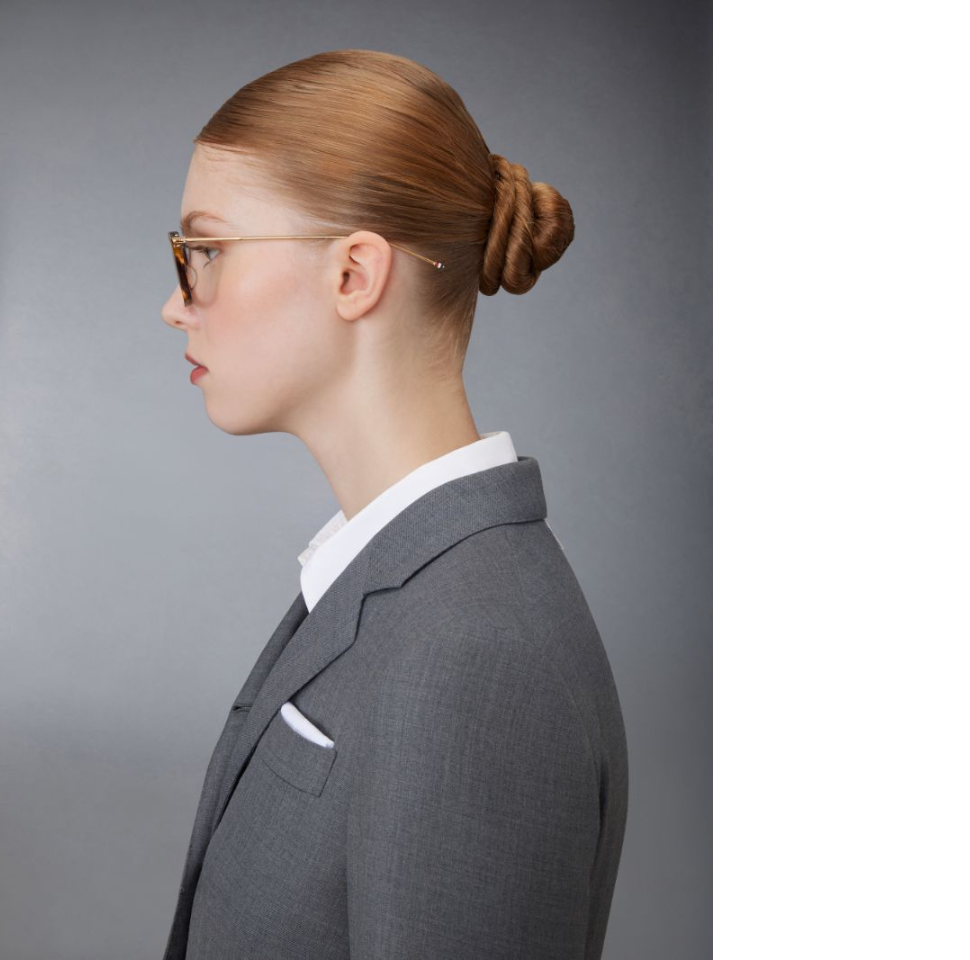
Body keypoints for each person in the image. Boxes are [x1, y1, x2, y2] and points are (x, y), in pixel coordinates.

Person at [158, 49, 628, 960]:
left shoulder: (477, 654)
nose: (176, 305)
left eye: (207, 251)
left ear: (354, 274)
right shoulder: (405, 583)